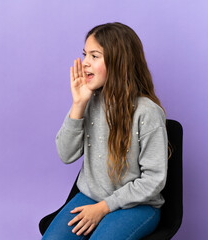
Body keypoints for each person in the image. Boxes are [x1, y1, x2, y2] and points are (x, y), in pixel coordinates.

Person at [42, 22, 172, 240]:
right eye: (85, 55)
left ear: (118, 61)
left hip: (137, 204)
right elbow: (66, 155)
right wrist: (78, 105)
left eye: (94, 56)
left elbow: (154, 180)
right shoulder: (89, 100)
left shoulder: (147, 112)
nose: (85, 63)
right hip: (90, 196)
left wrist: (104, 207)